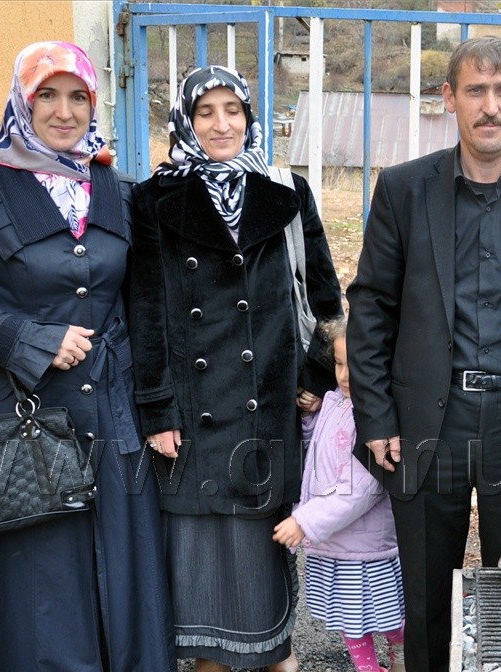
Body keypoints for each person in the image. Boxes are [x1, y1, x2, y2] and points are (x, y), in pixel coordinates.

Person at [347, 36, 501, 672]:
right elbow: (372, 305)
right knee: (426, 594)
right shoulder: (405, 190)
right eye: (475, 91)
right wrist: (376, 417)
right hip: (426, 422)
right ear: (450, 99)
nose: (490, 106)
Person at [0, 41, 172, 670]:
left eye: (79, 96)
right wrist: (33, 340)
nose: (65, 112)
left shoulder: (118, 187)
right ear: (23, 102)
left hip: (114, 417)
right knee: (42, 587)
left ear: (95, 102)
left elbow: (144, 298)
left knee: (123, 573)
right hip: (25, 418)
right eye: (48, 96)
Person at [127, 65, 343, 672]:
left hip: (266, 408)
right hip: (192, 418)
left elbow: (325, 298)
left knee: (266, 595)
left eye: (233, 110)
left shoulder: (286, 191)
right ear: (186, 122)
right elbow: (145, 309)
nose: (222, 125)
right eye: (205, 113)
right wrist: (158, 409)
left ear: (251, 116)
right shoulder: (155, 198)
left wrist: (315, 378)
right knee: (200, 605)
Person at [274, 315, 407, 672]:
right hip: (334, 543)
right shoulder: (334, 401)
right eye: (339, 363)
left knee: (387, 614)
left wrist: (304, 520)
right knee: (351, 620)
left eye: (357, 365)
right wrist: (310, 419)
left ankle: (403, 653)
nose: (345, 375)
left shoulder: (376, 416)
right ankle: (369, 669)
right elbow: (318, 453)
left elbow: (361, 489)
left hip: (364, 547)